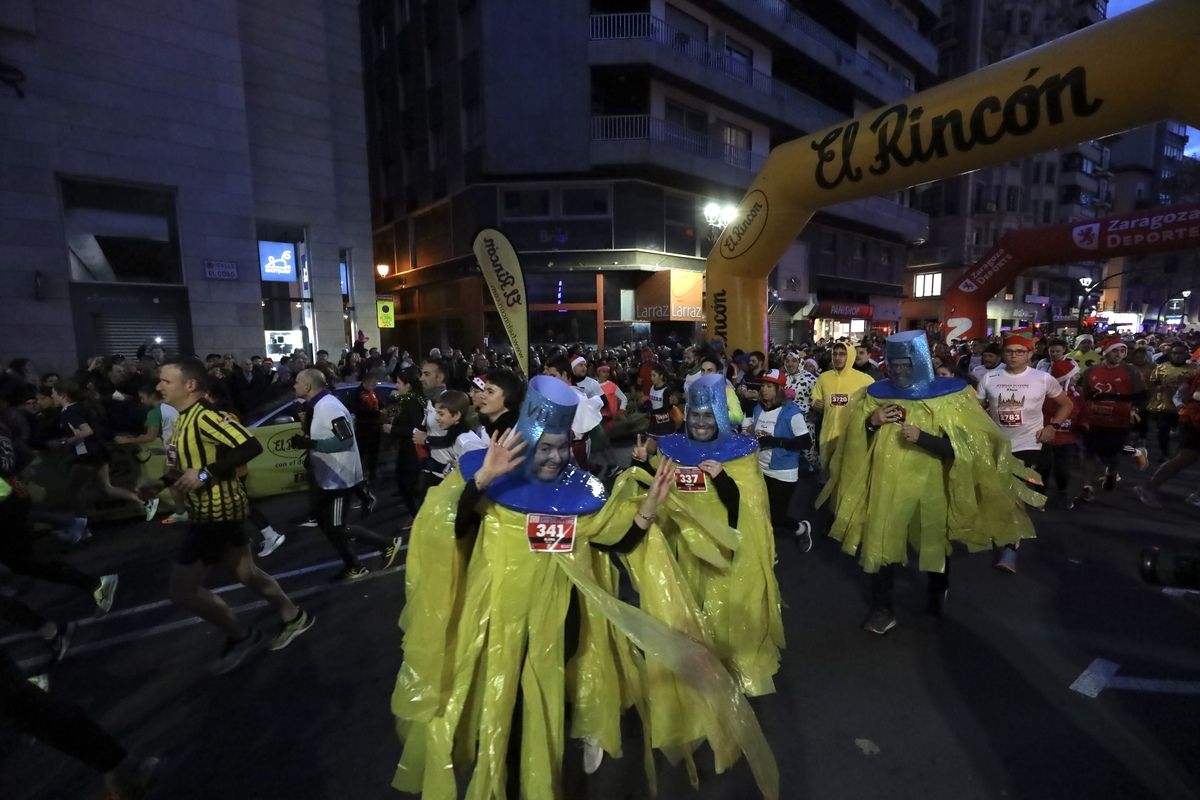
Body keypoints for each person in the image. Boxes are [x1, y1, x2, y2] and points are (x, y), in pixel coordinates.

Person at [391, 376, 777, 798]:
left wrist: (648, 508)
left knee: (552, 699)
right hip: (498, 624)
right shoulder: (492, 492)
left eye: (562, 447)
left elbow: (617, 542)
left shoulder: (581, 499)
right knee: (508, 712)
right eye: (546, 447)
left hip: (561, 619)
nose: (556, 457)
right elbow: (455, 530)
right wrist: (482, 479)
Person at [820, 331, 1044, 634]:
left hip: (932, 489)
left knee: (934, 546)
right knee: (881, 542)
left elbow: (967, 451)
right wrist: (871, 424)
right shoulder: (875, 395)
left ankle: (937, 596)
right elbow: (854, 442)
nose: (898, 370)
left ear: (920, 362)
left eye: (905, 364)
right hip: (886, 485)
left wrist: (923, 439)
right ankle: (882, 608)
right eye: (893, 363)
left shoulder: (951, 400)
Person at [138, 357, 313, 674]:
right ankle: (294, 615)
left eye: (165, 380)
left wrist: (205, 476)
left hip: (217, 513)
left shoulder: (207, 416)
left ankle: (242, 635)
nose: (158, 386)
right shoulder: (181, 419)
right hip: (210, 510)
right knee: (246, 573)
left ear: (190, 385)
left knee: (182, 590)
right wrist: (161, 483)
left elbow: (249, 446)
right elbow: (183, 465)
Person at [291, 369, 401, 581]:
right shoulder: (318, 406)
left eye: (297, 382)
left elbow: (345, 440)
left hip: (339, 479)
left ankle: (385, 544)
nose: (293, 386)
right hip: (328, 476)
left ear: (307, 386)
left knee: (336, 526)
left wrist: (311, 444)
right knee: (325, 523)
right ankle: (354, 565)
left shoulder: (328, 407)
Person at [976, 332, 1072, 570]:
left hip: (1029, 444)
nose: (1014, 356)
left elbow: (1066, 404)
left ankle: (1010, 549)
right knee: (997, 493)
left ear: (1030, 354)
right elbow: (976, 408)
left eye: (1020, 351)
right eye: (1009, 351)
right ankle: (1005, 530)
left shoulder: (1042, 378)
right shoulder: (990, 377)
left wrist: (1052, 426)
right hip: (997, 444)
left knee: (1014, 494)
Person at [51, 380, 157, 526]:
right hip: (98, 452)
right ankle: (145, 502)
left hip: (87, 455)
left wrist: (66, 442)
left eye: (53, 393)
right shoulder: (83, 407)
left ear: (62, 395)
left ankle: (80, 527)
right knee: (106, 488)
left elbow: (86, 431)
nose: (52, 396)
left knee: (74, 491)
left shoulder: (70, 412)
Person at [743, 369, 813, 547]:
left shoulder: (791, 412)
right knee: (761, 512)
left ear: (779, 389)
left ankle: (801, 528)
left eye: (769, 386)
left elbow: (805, 442)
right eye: (763, 386)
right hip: (760, 468)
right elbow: (753, 432)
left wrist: (775, 441)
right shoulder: (758, 408)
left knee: (776, 517)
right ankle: (767, 551)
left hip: (783, 472)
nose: (764, 390)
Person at [1076, 337, 1147, 503]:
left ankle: (1112, 471)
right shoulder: (1091, 371)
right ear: (1106, 352)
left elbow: (1142, 395)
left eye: (1122, 351)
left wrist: (1118, 399)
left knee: (1112, 453)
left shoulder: (1130, 371)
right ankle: (1087, 488)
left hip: (1119, 420)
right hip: (1093, 419)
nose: (1119, 354)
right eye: (1115, 350)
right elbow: (1083, 392)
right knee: (1088, 452)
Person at [1134, 367, 1200, 509]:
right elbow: (1196, 395)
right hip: (1194, 420)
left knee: (1187, 457)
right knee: (1186, 457)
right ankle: (1148, 488)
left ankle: (1197, 495)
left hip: (1192, 418)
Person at [811, 342, 874, 472]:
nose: (838, 358)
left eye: (842, 354)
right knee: (827, 471)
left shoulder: (865, 380)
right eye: (835, 354)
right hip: (828, 434)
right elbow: (815, 398)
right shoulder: (823, 378)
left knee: (847, 472)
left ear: (850, 356)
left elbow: (873, 404)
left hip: (852, 436)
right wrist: (816, 404)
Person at [382, 366, 425, 526]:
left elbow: (416, 428)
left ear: (408, 385)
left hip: (412, 450)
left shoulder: (413, 401)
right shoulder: (410, 399)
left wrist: (393, 429)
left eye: (399, 383)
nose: (396, 386)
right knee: (406, 482)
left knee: (406, 483)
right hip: (407, 448)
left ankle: (417, 516)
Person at [1145, 341, 1195, 461]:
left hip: (1185, 407)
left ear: (1186, 354)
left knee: (1184, 433)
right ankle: (1164, 453)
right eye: (1175, 353)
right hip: (1165, 405)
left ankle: (1179, 455)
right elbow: (1153, 381)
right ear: (1170, 354)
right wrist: (1160, 388)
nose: (1177, 356)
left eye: (1181, 353)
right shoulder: (1162, 367)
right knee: (1163, 430)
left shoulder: (1194, 369)